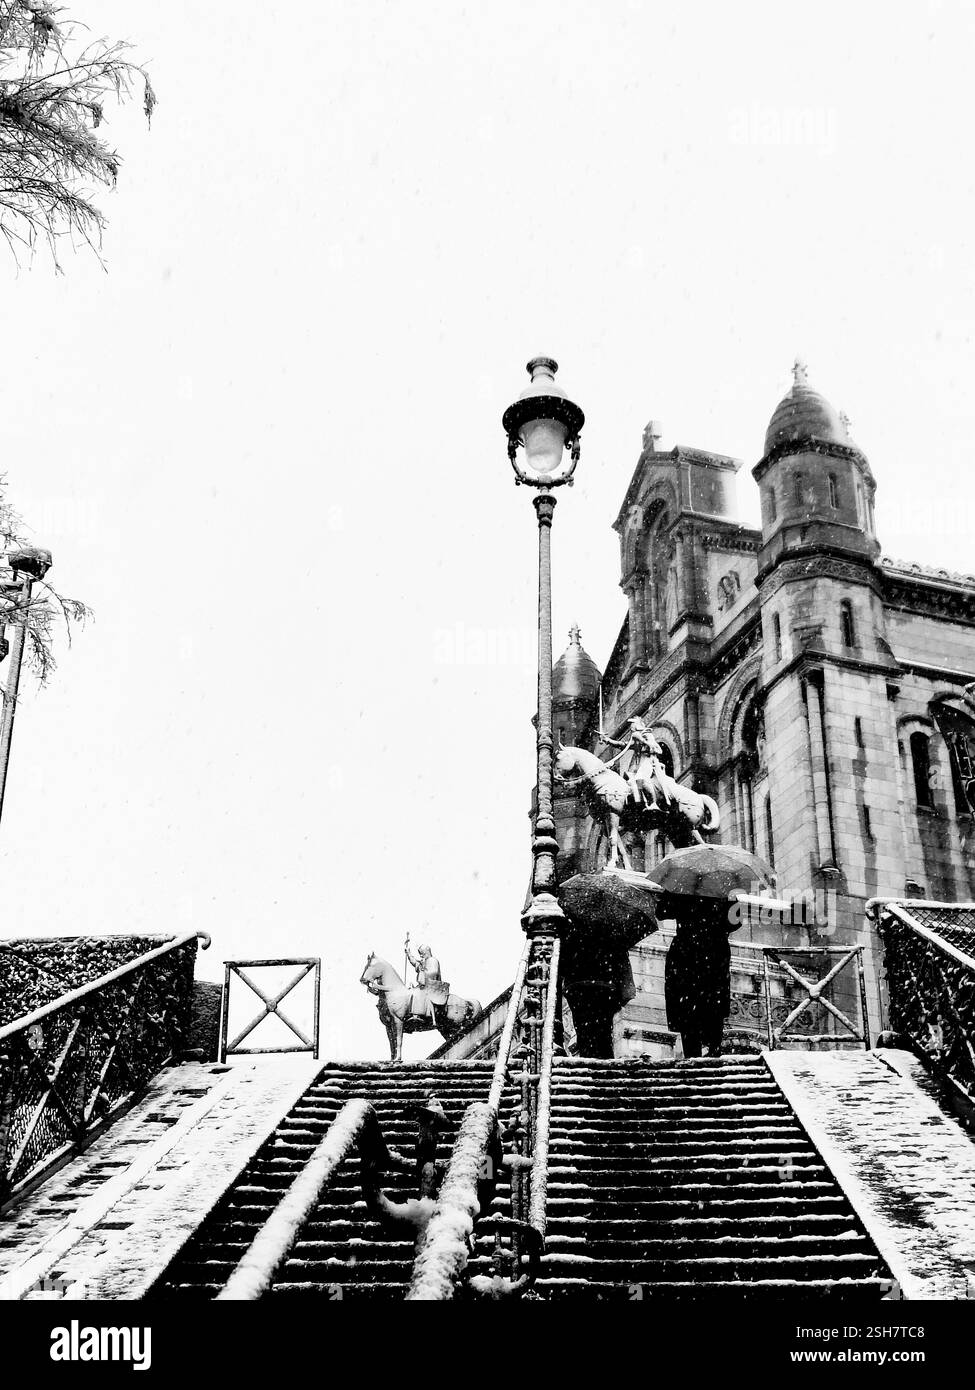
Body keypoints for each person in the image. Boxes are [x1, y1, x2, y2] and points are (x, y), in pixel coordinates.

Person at [663, 895, 738, 1057]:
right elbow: (735, 922)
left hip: (685, 952)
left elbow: (662, 911)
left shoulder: (681, 886)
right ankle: (713, 1051)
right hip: (714, 953)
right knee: (713, 1007)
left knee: (687, 1008)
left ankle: (693, 1055)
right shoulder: (724, 890)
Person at [603, 716, 670, 810]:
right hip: (639, 763)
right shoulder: (635, 740)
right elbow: (623, 745)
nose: (631, 728)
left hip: (649, 761)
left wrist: (643, 741)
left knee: (641, 779)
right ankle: (642, 802)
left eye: (633, 725)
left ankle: (653, 803)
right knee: (630, 781)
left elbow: (656, 749)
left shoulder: (647, 735)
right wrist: (608, 740)